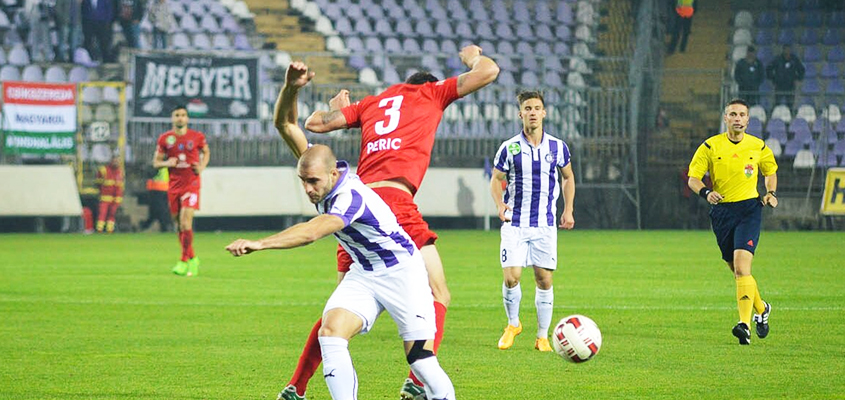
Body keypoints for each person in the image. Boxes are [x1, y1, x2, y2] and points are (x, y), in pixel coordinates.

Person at [274, 45, 498, 400]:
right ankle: (418, 379)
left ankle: (296, 386)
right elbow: (488, 71)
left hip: (354, 208)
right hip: (393, 206)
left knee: (338, 312)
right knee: (438, 293)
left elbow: (314, 124)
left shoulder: (373, 103)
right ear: (428, 85)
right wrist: (471, 55)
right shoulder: (430, 93)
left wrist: (336, 107)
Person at [225, 145, 457, 400]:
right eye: (303, 181)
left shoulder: (350, 196)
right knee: (330, 332)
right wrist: (287, 117)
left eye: (313, 181)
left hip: (402, 273)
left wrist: (260, 243)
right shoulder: (327, 176)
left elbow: (312, 232)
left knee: (420, 360)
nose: (308, 189)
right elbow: (297, 139)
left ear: (333, 174)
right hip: (364, 273)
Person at [488, 91, 575, 352]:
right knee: (512, 277)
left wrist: (568, 209)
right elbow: (496, 179)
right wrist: (499, 204)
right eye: (528, 108)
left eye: (537, 108)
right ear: (521, 114)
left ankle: (542, 336)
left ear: (544, 113)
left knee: (543, 279)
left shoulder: (557, 147)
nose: (533, 112)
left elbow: (568, 177)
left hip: (544, 224)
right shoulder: (509, 147)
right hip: (514, 223)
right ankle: (513, 324)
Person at [686, 98, 778, 345]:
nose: (738, 119)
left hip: (749, 210)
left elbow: (770, 171)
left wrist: (771, 193)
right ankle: (762, 309)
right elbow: (693, 178)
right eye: (733, 114)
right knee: (737, 270)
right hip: (722, 213)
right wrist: (706, 192)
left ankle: (744, 325)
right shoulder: (710, 146)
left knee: (742, 267)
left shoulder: (758, 146)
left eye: (742, 115)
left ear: (748, 120)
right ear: (725, 118)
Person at [152, 105, 210, 277]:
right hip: (174, 186)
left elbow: (206, 152)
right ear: (172, 118)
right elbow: (156, 162)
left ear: (187, 118)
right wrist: (167, 163)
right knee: (178, 225)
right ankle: (192, 258)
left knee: (185, 223)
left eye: (183, 115)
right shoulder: (165, 139)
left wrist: (201, 167)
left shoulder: (197, 136)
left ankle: (184, 260)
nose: (180, 118)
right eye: (177, 115)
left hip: (191, 184)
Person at [766, 44, 805, 109]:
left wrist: (798, 78)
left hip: (790, 85)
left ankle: (790, 113)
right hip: (779, 85)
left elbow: (801, 69)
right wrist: (773, 78)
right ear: (783, 50)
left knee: (790, 104)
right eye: (786, 50)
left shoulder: (794, 59)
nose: (787, 51)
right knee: (777, 103)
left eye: (788, 50)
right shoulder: (777, 59)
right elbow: (769, 68)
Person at [95, 154, 124, 233]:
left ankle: (110, 229)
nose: (116, 162)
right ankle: (99, 229)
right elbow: (98, 183)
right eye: (115, 160)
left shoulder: (120, 172)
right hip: (105, 197)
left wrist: (119, 198)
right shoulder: (103, 170)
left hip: (115, 198)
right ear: (111, 161)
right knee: (102, 214)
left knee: (112, 214)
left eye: (117, 161)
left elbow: (120, 186)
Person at [139, 167, 173, 232]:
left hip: (162, 190)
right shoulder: (158, 165)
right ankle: (164, 226)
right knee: (160, 210)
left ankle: (145, 225)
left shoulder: (165, 165)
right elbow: (151, 173)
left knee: (157, 211)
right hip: (156, 190)